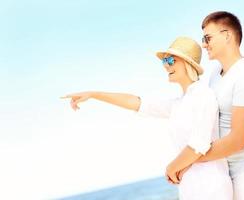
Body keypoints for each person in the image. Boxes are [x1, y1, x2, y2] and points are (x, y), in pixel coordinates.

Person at [61, 37, 233, 200]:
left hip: (211, 187)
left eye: (171, 60)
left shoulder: (203, 95)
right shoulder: (179, 104)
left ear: (188, 63)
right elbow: (137, 103)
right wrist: (94, 94)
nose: (166, 66)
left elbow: (199, 144)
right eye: (164, 61)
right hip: (192, 187)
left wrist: (171, 168)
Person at [178, 11, 244, 200]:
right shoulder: (215, 73)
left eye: (207, 38)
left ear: (227, 35)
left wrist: (188, 160)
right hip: (225, 174)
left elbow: (237, 141)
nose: (203, 44)